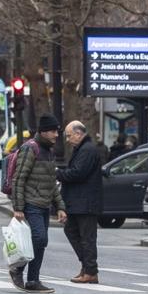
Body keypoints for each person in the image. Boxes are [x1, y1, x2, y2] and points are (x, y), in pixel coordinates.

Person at [10, 114, 66, 293]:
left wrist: (60, 206)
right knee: (39, 238)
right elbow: (18, 179)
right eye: (52, 131)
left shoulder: (49, 152)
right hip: (31, 203)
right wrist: (18, 206)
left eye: (57, 131)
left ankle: (33, 280)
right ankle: (18, 269)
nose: (56, 134)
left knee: (41, 242)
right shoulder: (30, 148)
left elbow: (52, 183)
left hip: (44, 204)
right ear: (42, 132)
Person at [56, 121, 103, 283]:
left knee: (86, 238)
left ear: (78, 134)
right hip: (79, 202)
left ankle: (90, 271)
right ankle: (87, 268)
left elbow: (78, 173)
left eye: (69, 136)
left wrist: (58, 173)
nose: (68, 139)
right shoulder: (82, 149)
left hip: (85, 202)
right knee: (72, 231)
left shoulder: (87, 150)